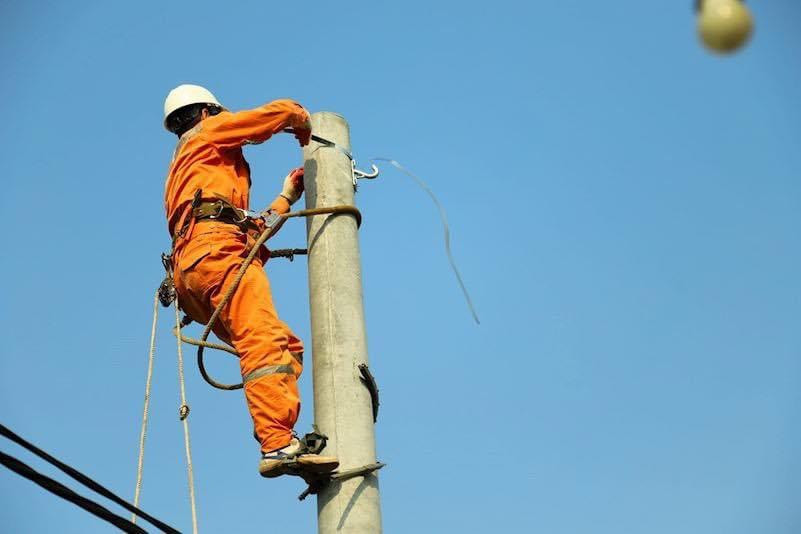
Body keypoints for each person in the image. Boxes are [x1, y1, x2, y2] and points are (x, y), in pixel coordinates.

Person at [162, 84, 338, 478]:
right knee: (262, 340)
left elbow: (250, 233)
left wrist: (286, 198)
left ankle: (284, 438)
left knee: (284, 345)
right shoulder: (208, 133)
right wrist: (299, 116)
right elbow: (263, 119)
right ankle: (277, 444)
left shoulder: (191, 172)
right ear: (207, 112)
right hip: (215, 255)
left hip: (195, 270)